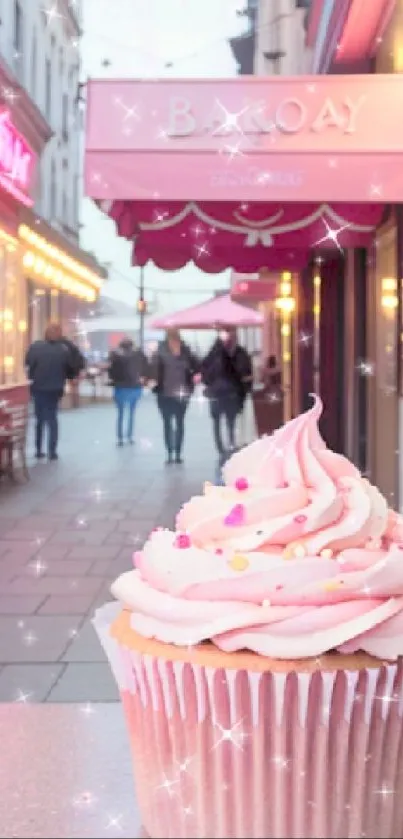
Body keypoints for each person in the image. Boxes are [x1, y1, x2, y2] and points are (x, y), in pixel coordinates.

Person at [201, 327, 252, 462]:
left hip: (232, 394)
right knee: (218, 421)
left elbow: (246, 373)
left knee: (230, 422)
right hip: (219, 393)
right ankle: (222, 448)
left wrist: (244, 388)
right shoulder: (215, 353)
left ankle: (230, 445)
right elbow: (205, 370)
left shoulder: (239, 353)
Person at [25, 322, 74, 460]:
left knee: (39, 419)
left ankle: (38, 449)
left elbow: (28, 364)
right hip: (55, 388)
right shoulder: (63, 350)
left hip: (38, 387)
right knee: (52, 419)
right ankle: (52, 451)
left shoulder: (35, 347)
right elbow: (69, 368)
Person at [152, 328, 199, 465]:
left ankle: (178, 452)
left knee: (179, 422)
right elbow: (153, 369)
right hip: (164, 394)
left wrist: (195, 375)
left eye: (176, 339)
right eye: (171, 339)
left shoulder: (186, 351)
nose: (174, 342)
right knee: (167, 423)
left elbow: (197, 366)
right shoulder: (160, 352)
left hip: (182, 394)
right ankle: (169, 452)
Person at [108, 337, 149, 446]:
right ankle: (130, 436)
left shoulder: (115, 356)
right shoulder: (139, 355)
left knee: (120, 413)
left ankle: (120, 437)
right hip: (135, 387)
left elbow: (111, 372)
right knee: (131, 412)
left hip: (120, 388)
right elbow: (145, 368)